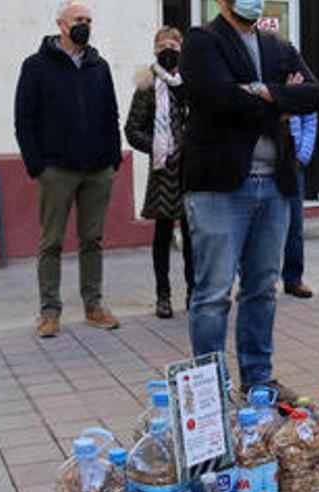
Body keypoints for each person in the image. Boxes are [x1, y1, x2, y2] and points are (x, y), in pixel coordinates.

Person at [180, 0, 319, 400]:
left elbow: (316, 95)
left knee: (262, 288)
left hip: (274, 184)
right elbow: (220, 100)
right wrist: (281, 101)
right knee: (212, 294)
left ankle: (258, 377)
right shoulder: (201, 41)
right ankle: (210, 387)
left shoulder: (278, 45)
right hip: (219, 187)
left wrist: (261, 93)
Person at [15, 0, 121, 338]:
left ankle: (94, 305)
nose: (85, 25)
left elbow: (111, 115)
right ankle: (50, 311)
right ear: (61, 24)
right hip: (56, 170)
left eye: (89, 20)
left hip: (97, 169)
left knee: (92, 239)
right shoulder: (36, 66)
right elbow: (24, 120)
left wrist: (113, 158)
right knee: (51, 242)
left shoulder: (98, 66)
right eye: (79, 19)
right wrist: (37, 165)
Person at [125, 26, 193, 319]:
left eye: (173, 45)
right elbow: (132, 129)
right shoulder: (147, 85)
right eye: (162, 45)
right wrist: (157, 147)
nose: (168, 50)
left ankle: (194, 291)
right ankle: (162, 296)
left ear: (182, 49)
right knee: (162, 234)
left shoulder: (191, 82)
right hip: (163, 171)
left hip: (192, 170)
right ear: (154, 50)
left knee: (193, 236)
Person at [282, 112, 318, 299]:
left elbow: (310, 120)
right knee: (255, 226)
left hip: (293, 163)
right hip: (264, 159)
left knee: (295, 225)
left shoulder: (303, 82)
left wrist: (302, 156)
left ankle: (293, 279)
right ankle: (250, 281)